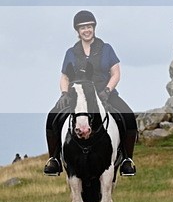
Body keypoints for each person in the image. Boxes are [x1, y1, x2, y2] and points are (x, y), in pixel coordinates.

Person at [43, 11, 138, 177]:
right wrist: (65, 94)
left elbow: (115, 73)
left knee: (128, 116)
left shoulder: (106, 49)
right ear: (77, 31)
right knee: (52, 117)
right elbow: (64, 77)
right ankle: (54, 159)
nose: (86, 30)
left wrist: (107, 91)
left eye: (89, 26)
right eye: (82, 28)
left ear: (94, 28)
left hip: (103, 92)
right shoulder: (71, 52)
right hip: (77, 95)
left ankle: (126, 160)